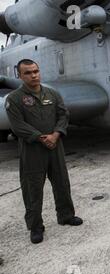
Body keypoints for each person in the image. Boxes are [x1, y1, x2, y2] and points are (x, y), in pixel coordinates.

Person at [5, 59, 83, 244]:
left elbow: (63, 115)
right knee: (32, 189)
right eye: (28, 73)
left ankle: (65, 215)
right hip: (32, 151)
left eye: (36, 71)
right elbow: (18, 126)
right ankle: (36, 227)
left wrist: (55, 135)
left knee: (62, 182)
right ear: (19, 75)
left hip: (55, 146)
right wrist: (41, 137)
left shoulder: (52, 94)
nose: (34, 75)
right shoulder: (14, 99)